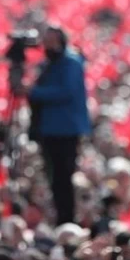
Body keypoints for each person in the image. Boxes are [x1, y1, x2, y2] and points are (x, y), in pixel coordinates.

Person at [25, 26, 91, 225]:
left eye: (51, 41)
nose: (47, 45)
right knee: (54, 178)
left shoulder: (70, 62)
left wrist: (33, 92)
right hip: (50, 129)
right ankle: (60, 215)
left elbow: (66, 92)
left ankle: (66, 219)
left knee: (63, 179)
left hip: (65, 129)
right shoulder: (48, 63)